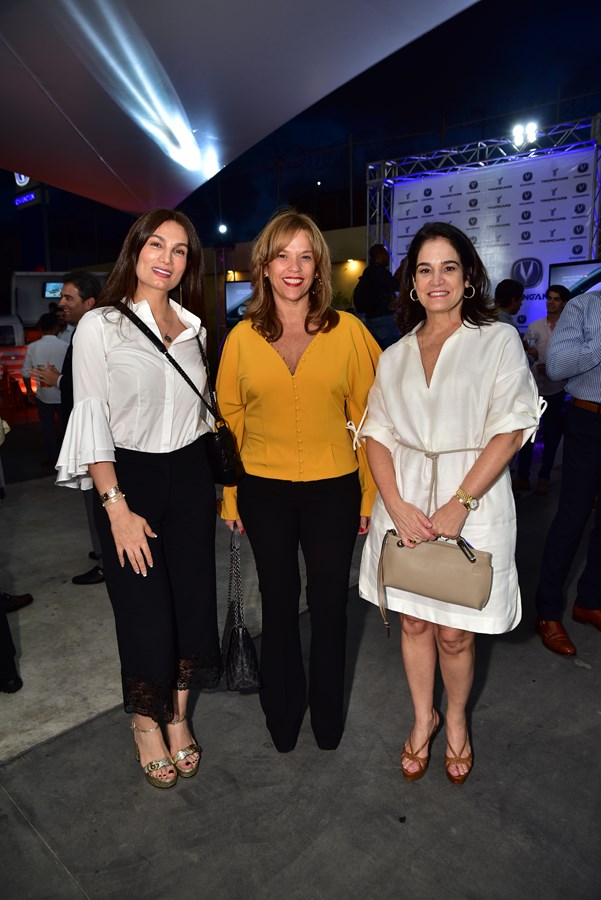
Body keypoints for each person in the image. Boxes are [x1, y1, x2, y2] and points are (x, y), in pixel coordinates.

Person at [358, 222, 541, 784]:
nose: (436, 279)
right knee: (413, 626)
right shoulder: (394, 355)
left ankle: (456, 720)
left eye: (449, 267)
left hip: (475, 502)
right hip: (406, 505)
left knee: (456, 631)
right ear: (411, 283)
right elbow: (375, 435)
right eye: (424, 269)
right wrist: (395, 504)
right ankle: (423, 718)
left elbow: (511, 429)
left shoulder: (498, 340)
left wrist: (461, 502)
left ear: (468, 277)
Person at [55, 209, 222, 789]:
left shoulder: (196, 327)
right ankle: (146, 724)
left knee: (192, 603)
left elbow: (201, 413)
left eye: (180, 250)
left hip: (192, 478)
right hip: (131, 482)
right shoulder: (102, 325)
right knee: (145, 610)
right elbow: (92, 420)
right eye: (157, 244)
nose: (167, 259)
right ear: (136, 249)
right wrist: (116, 507)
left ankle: (178, 717)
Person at [216, 209, 381, 753]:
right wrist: (232, 499)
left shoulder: (350, 332)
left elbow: (371, 417)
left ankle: (327, 719)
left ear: (319, 267)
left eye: (305, 256)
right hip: (263, 490)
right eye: (282, 255)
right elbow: (229, 424)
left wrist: (369, 491)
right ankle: (283, 716)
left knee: (331, 605)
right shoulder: (241, 337)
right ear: (263, 266)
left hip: (334, 488)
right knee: (280, 603)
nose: (294, 267)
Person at [535, 289, 601, 656]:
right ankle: (547, 612)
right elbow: (557, 368)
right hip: (589, 420)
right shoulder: (584, 306)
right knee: (572, 519)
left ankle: (589, 601)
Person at [37, 272, 105, 585]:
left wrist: (58, 381)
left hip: (94, 431)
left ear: (88, 303)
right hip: (86, 427)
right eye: (62, 297)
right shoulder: (81, 330)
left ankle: (106, 558)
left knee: (97, 495)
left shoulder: (90, 332)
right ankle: (102, 548)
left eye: (69, 299)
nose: (61, 304)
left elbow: (91, 383)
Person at [514, 285, 570, 495]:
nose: (550, 302)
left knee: (553, 436)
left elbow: (573, 359)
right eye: (549, 298)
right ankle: (522, 476)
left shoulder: (569, 330)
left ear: (564, 303)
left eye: (556, 299)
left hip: (557, 389)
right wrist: (533, 356)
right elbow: (526, 354)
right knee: (528, 435)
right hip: (534, 388)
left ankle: (544, 477)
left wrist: (555, 369)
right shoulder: (535, 326)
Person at [21, 312, 67, 466]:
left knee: (48, 429)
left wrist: (29, 391)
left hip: (43, 396)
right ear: (57, 327)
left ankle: (52, 458)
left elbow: (25, 372)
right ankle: (70, 460)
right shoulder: (66, 346)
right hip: (64, 394)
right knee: (68, 428)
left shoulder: (32, 347)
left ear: (40, 328)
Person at [353, 243, 401, 349]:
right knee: (393, 353)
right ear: (379, 255)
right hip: (384, 319)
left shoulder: (368, 272)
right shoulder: (380, 273)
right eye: (386, 254)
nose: (388, 257)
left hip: (371, 319)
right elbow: (396, 285)